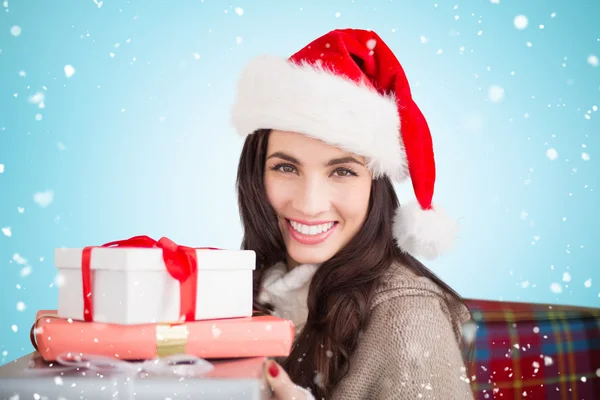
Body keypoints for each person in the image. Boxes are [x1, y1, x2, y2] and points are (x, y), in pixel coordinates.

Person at [230, 28, 475, 400]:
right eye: (285, 168)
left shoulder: (408, 316)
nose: (310, 204)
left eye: (342, 171)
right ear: (255, 173)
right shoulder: (262, 282)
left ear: (375, 187)